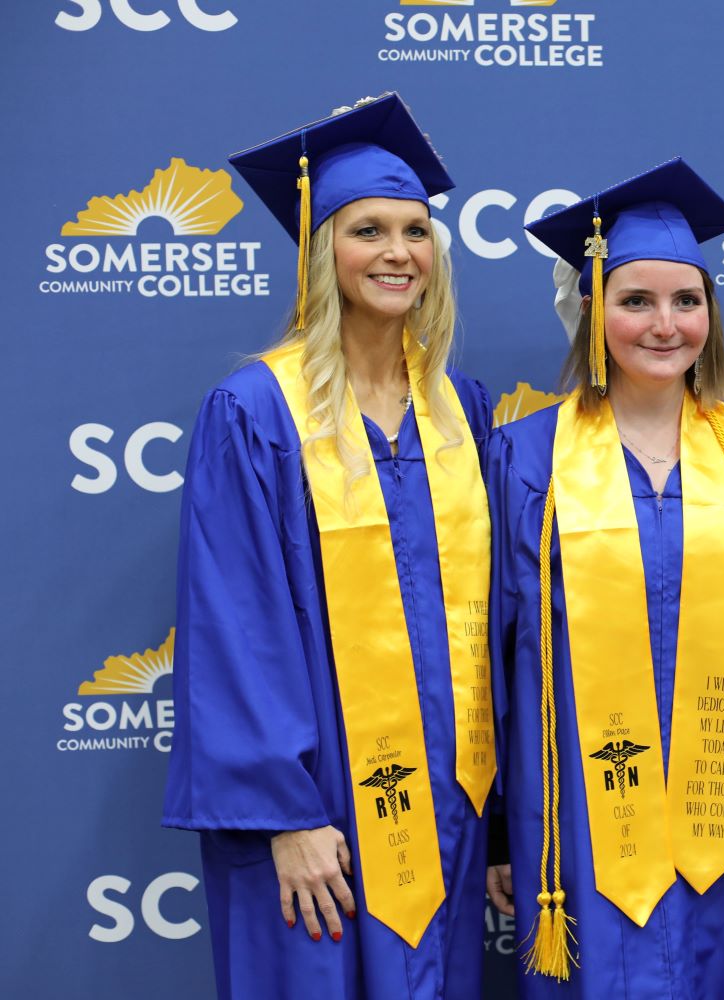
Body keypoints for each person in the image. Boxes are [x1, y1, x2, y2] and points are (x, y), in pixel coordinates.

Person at [162, 93, 496, 999]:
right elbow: (237, 622)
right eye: (368, 231)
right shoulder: (257, 411)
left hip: (446, 801)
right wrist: (285, 815)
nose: (398, 253)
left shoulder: (458, 411)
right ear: (321, 251)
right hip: (319, 809)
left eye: (416, 231)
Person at [486, 158, 724, 998]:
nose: (664, 323)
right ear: (591, 311)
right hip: (574, 800)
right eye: (634, 300)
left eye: (687, 301)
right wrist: (503, 824)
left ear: (712, 316)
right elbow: (490, 655)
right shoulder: (524, 459)